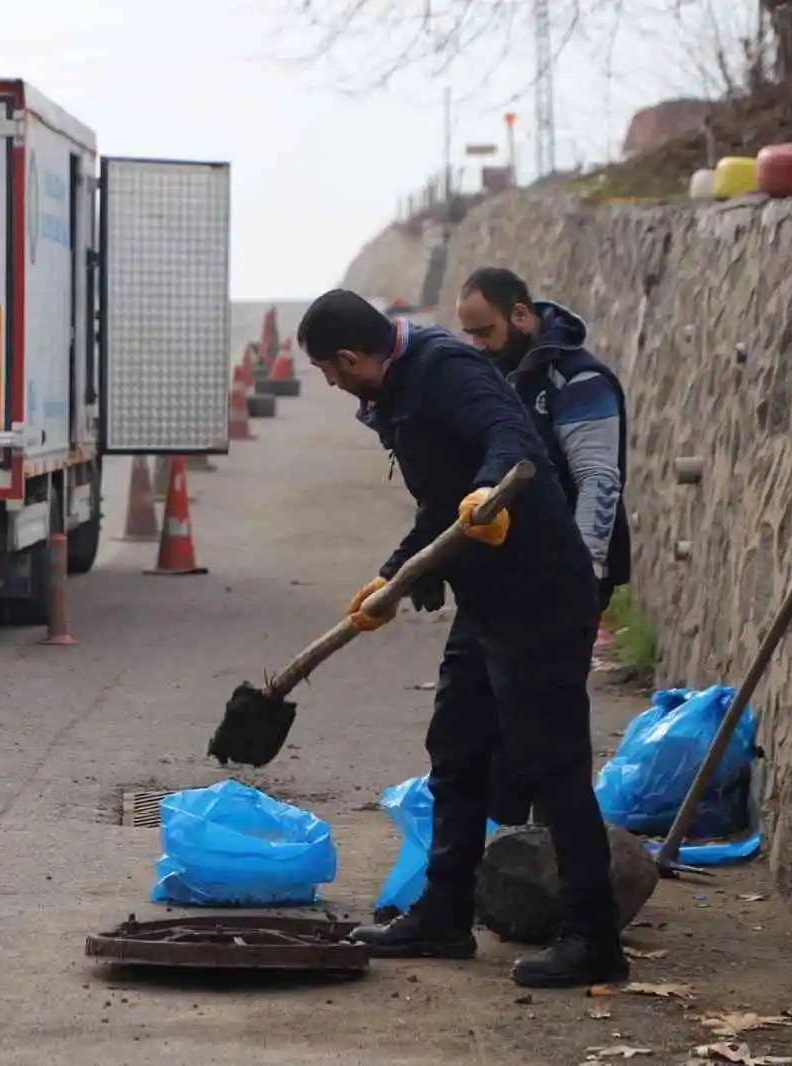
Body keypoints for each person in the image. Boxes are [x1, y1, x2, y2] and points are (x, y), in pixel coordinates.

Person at [295, 288, 626, 989]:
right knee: (456, 747)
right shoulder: (400, 393)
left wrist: (485, 494)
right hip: (487, 599)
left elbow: (510, 436)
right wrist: (389, 580)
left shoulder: (448, 369)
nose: (334, 385)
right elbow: (436, 506)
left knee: (552, 765)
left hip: (541, 592)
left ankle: (594, 937)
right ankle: (443, 916)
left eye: (331, 371)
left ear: (352, 357)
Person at [453, 267, 630, 613]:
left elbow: (597, 479)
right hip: (511, 569)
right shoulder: (499, 372)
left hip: (566, 570)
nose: (479, 345)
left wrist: (583, 573)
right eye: (470, 335)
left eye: (485, 332)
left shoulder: (579, 380)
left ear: (519, 315)